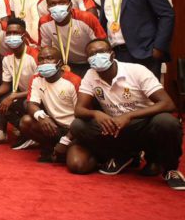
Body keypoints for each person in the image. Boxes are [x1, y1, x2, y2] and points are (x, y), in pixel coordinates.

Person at [70, 39, 184, 190]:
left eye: (101, 52)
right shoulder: (91, 75)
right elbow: (79, 110)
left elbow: (167, 104)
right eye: (92, 54)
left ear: (112, 54)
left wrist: (130, 116)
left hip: (144, 123)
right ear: (88, 59)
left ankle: (170, 170)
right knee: (78, 125)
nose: (97, 56)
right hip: (116, 127)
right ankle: (124, 155)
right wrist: (96, 113)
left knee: (167, 122)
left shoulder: (136, 71)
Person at [98, 0, 174, 77]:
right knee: (124, 95)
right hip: (116, 54)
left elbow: (167, 14)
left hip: (144, 52)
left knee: (148, 96)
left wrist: (159, 48)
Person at [19, 46, 83, 164]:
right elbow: (31, 104)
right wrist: (41, 117)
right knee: (26, 121)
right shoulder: (36, 79)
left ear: (60, 62)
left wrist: (65, 140)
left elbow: (82, 116)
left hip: (75, 130)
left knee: (77, 165)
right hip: (55, 127)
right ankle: (49, 148)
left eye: (49, 58)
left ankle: (63, 149)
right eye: (41, 59)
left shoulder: (73, 81)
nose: (44, 62)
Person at [0, 17, 38, 145]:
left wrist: (14, 96)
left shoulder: (34, 55)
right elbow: (6, 85)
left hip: (39, 97)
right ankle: (26, 132)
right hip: (23, 94)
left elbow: (41, 88)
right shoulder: (7, 58)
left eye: (16, 33)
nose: (11, 36)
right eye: (9, 33)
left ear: (24, 36)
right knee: (0, 101)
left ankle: (34, 133)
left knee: (25, 104)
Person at [38, 0, 106, 77]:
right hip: (68, 64)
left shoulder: (86, 18)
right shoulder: (44, 23)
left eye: (62, 3)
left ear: (70, 5)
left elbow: (102, 43)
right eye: (53, 4)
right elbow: (45, 49)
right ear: (48, 8)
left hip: (92, 62)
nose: (57, 6)